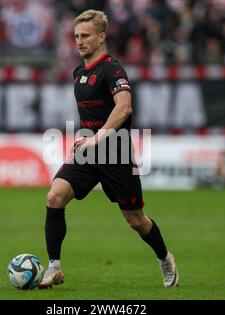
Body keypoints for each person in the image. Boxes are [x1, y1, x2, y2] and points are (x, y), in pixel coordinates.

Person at [38, 10, 178, 289]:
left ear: (101, 37)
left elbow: (124, 107)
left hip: (115, 152)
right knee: (55, 197)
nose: (79, 41)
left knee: (136, 220)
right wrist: (86, 140)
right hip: (89, 151)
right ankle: (54, 267)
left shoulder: (113, 70)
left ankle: (164, 258)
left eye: (85, 35)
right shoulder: (79, 72)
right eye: (76, 36)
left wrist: (98, 137)